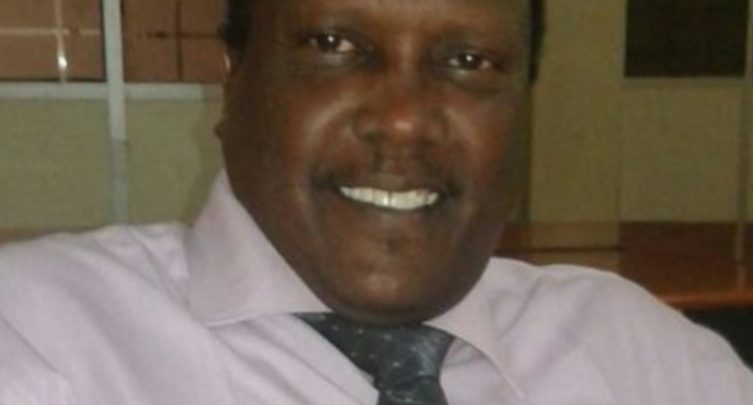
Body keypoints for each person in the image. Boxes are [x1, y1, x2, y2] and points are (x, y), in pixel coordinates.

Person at [0, 0, 750, 403]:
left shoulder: (640, 356)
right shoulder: (39, 340)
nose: (403, 119)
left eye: (468, 60)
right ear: (234, 77)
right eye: (333, 46)